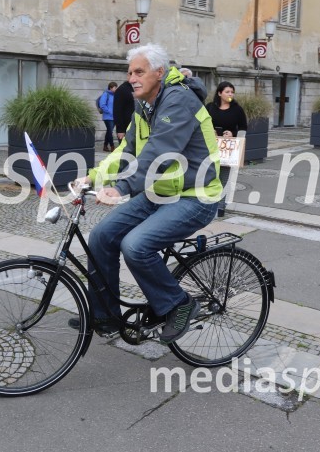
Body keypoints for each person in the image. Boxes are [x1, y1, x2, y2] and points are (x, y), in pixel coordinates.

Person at [74, 43, 222, 344]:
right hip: (159, 193)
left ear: (159, 72)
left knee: (136, 245)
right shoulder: (144, 106)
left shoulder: (179, 101)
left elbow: (159, 153)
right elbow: (126, 151)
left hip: (195, 196)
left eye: (139, 72)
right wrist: (92, 177)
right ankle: (105, 316)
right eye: (130, 73)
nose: (132, 78)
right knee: (101, 236)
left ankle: (179, 304)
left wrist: (121, 187)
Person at [205, 81, 247, 217]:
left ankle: (220, 207)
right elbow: (201, 124)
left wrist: (232, 133)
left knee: (223, 178)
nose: (230, 94)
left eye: (232, 92)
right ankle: (208, 205)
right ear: (219, 93)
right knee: (209, 177)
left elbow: (243, 128)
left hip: (227, 149)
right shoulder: (210, 107)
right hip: (210, 147)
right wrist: (210, 130)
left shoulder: (237, 110)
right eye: (227, 92)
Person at [97, 82, 117, 152]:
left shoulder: (115, 95)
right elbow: (102, 105)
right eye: (115, 87)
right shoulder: (106, 94)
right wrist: (109, 112)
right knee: (110, 132)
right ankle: (112, 146)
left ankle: (105, 146)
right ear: (110, 88)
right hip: (107, 117)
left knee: (109, 131)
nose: (116, 89)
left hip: (114, 117)